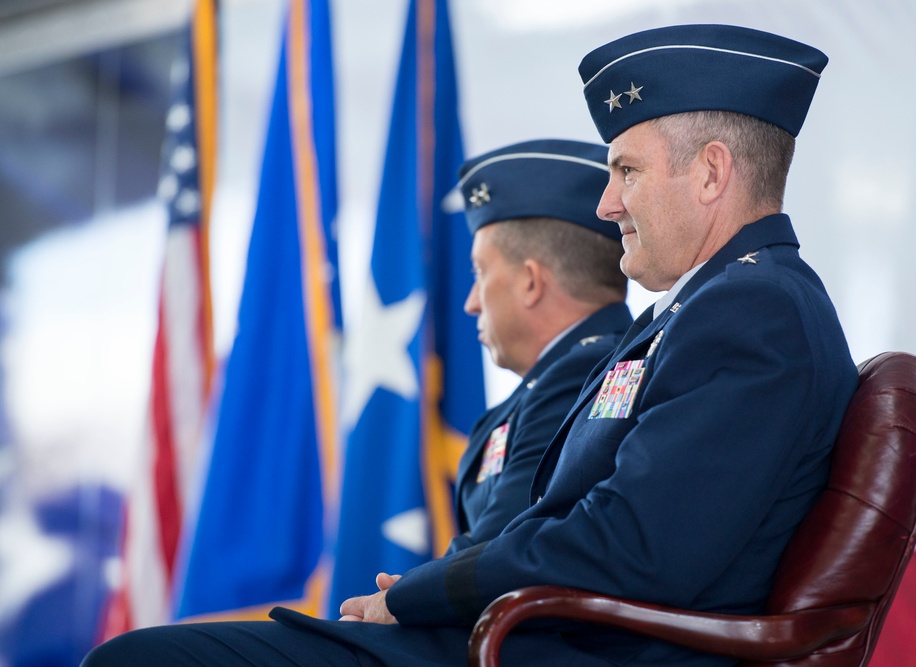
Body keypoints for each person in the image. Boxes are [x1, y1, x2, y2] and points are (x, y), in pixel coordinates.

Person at [83, 24, 858, 666]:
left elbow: (629, 546)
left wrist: (418, 595)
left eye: (626, 169)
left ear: (712, 172)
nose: (606, 200)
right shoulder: (713, 308)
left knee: (140, 661)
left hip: (566, 649)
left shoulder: (753, 309)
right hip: (538, 635)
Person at [446, 139, 632, 553]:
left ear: (530, 281)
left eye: (480, 272)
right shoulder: (560, 374)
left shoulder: (580, 373)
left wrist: (394, 601)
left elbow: (493, 554)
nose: (471, 302)